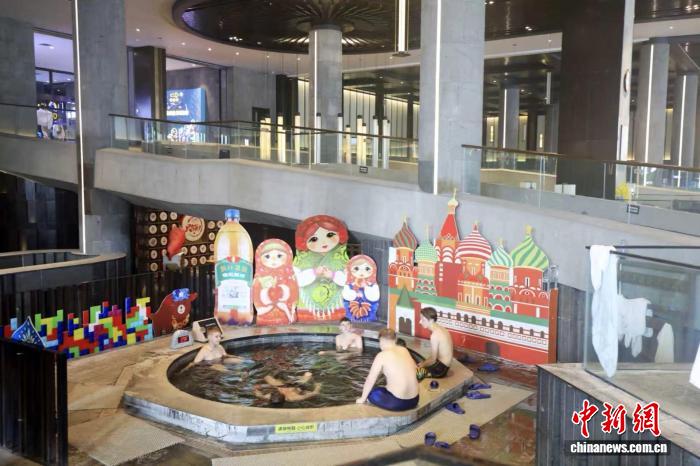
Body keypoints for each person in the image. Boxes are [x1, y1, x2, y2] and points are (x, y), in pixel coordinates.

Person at [356, 328, 419, 411]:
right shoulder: (404, 350)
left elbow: (370, 379)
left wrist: (362, 399)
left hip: (398, 403)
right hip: (414, 400)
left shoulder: (381, 355)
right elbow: (415, 368)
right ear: (395, 340)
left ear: (381, 340)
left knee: (372, 393)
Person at [416, 307, 453, 379]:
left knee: (412, 373)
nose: (420, 322)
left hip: (439, 370)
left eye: (423, 319)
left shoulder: (435, 335)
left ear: (431, 320)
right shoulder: (441, 328)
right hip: (442, 365)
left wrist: (421, 365)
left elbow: (433, 360)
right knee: (418, 360)